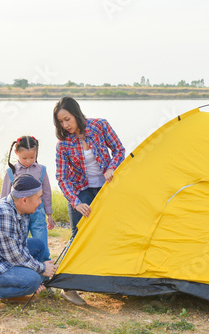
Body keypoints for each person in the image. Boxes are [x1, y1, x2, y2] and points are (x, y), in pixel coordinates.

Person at [53, 96, 125, 305]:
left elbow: (119, 149)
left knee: (108, 233)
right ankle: (68, 286)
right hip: (80, 191)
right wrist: (75, 201)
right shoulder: (63, 145)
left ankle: (108, 281)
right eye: (61, 122)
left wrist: (112, 166)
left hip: (105, 189)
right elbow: (62, 178)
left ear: (76, 113)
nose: (65, 125)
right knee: (78, 235)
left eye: (67, 119)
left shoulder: (99, 126)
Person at [0, 174, 58, 309]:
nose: (40, 202)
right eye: (38, 198)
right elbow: (14, 255)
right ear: (24, 200)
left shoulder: (21, 210)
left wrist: (36, 267)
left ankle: (12, 293)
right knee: (33, 280)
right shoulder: (4, 214)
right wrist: (41, 268)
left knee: (38, 245)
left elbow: (20, 246)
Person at [0, 136, 54, 263]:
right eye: (24, 158)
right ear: (16, 153)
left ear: (36, 153)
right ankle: (22, 267)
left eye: (32, 157)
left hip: (38, 212)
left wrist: (49, 214)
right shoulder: (11, 171)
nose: (28, 161)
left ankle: (44, 271)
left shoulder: (42, 170)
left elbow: (46, 193)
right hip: (17, 214)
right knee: (19, 242)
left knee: (41, 240)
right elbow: (4, 197)